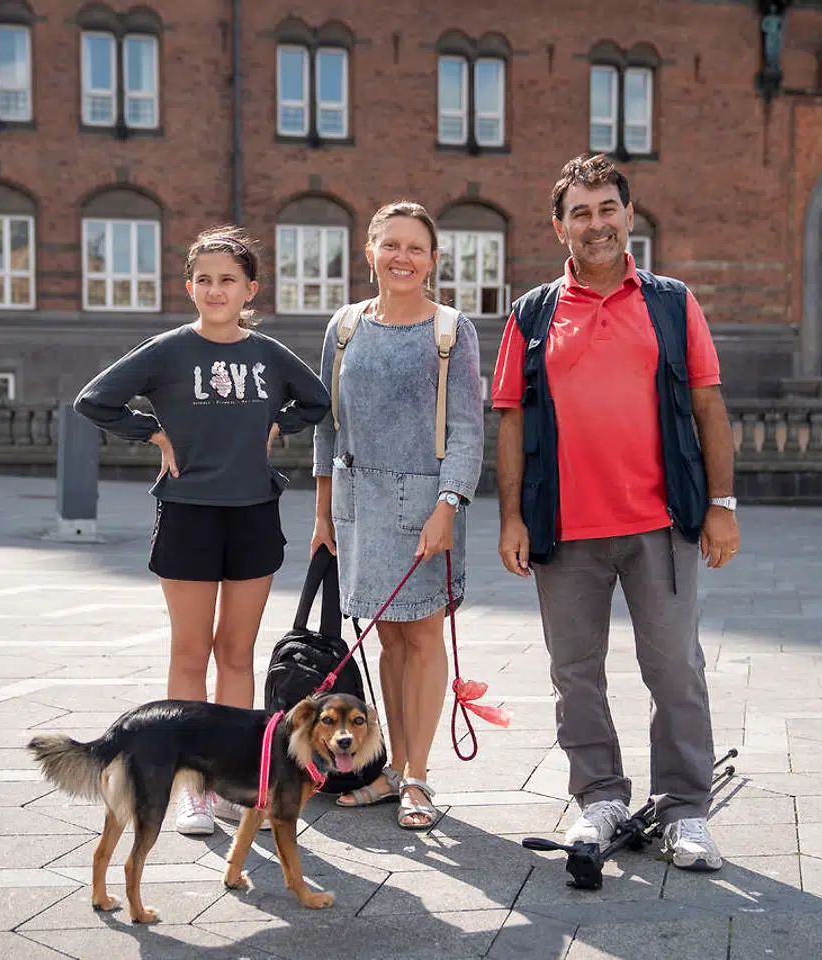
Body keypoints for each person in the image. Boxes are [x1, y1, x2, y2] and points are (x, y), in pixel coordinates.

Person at [491, 154, 739, 871]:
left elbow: (708, 404)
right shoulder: (533, 313)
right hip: (564, 528)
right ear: (559, 225)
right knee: (575, 673)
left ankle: (685, 810)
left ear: (629, 216)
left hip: (661, 525)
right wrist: (512, 518)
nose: (595, 224)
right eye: (580, 212)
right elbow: (510, 419)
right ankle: (599, 795)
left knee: (675, 671)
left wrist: (721, 506)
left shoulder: (671, 301)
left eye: (607, 209)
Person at [74, 225, 330, 835]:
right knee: (190, 652)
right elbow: (95, 400)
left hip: (252, 514)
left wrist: (277, 425)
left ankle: (235, 779)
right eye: (204, 280)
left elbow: (317, 401)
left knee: (236, 652)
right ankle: (190, 785)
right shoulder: (167, 350)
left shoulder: (267, 355)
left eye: (228, 280)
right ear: (190, 287)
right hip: (187, 512)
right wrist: (153, 433)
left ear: (250, 289)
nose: (216, 290)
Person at [311, 201, 484, 830]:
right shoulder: (346, 326)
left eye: (415, 248)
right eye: (390, 246)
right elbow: (329, 427)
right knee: (386, 638)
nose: (402, 258)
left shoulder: (451, 330)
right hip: (360, 505)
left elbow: (467, 431)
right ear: (370, 252)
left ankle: (418, 777)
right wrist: (323, 512)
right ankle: (388, 767)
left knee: (422, 636)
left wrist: (449, 505)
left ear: (433, 260)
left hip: (428, 505)